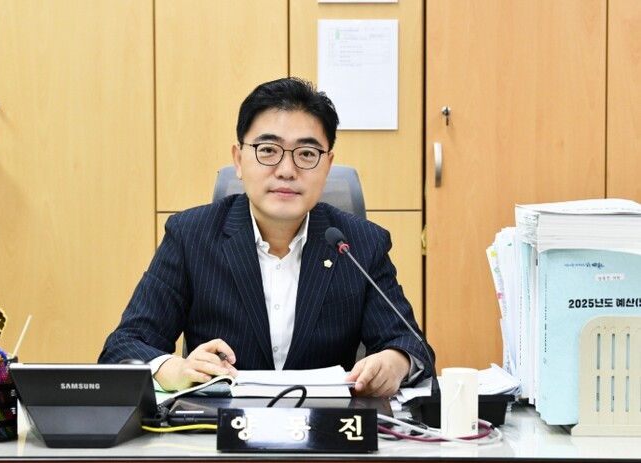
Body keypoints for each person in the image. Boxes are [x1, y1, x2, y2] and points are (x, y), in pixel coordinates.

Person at [98, 77, 435, 398]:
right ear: (238, 160)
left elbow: (411, 346)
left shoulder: (359, 244)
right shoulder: (190, 236)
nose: (286, 170)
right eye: (268, 150)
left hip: (326, 427)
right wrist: (175, 369)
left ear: (327, 165)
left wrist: (395, 362)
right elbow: (124, 346)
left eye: (306, 154)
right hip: (219, 427)